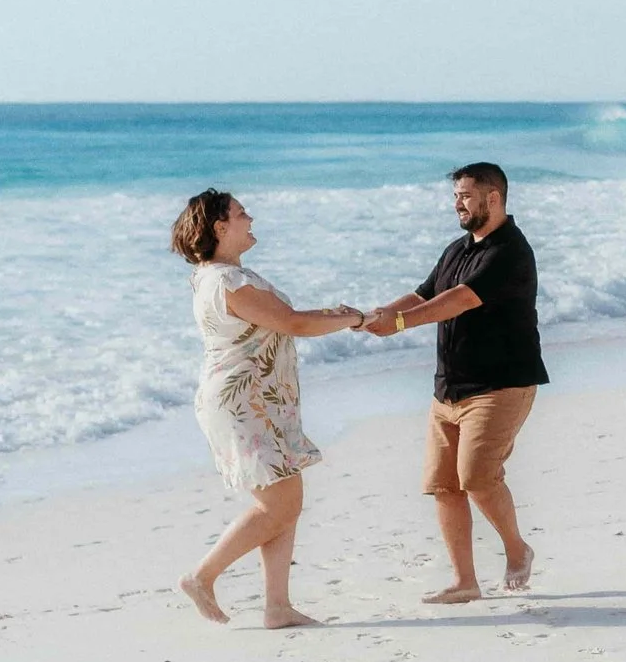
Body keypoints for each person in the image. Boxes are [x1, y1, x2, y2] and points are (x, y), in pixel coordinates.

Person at [169, 189, 363, 628]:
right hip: (244, 403)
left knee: (284, 501)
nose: (251, 218)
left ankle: (278, 606)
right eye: (242, 214)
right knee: (279, 504)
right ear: (220, 228)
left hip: (258, 399)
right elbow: (293, 323)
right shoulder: (228, 281)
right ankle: (202, 576)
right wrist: (355, 320)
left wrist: (335, 313)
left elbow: (283, 318)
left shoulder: (221, 276)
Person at [361, 162, 547, 602]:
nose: (458, 204)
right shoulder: (457, 249)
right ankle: (465, 582)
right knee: (443, 486)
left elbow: (460, 299)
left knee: (478, 478)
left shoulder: (510, 252)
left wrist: (400, 324)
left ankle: (517, 550)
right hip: (448, 388)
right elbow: (425, 294)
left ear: (493, 198)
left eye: (465, 196)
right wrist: (377, 315)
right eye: (455, 197)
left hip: (500, 384)